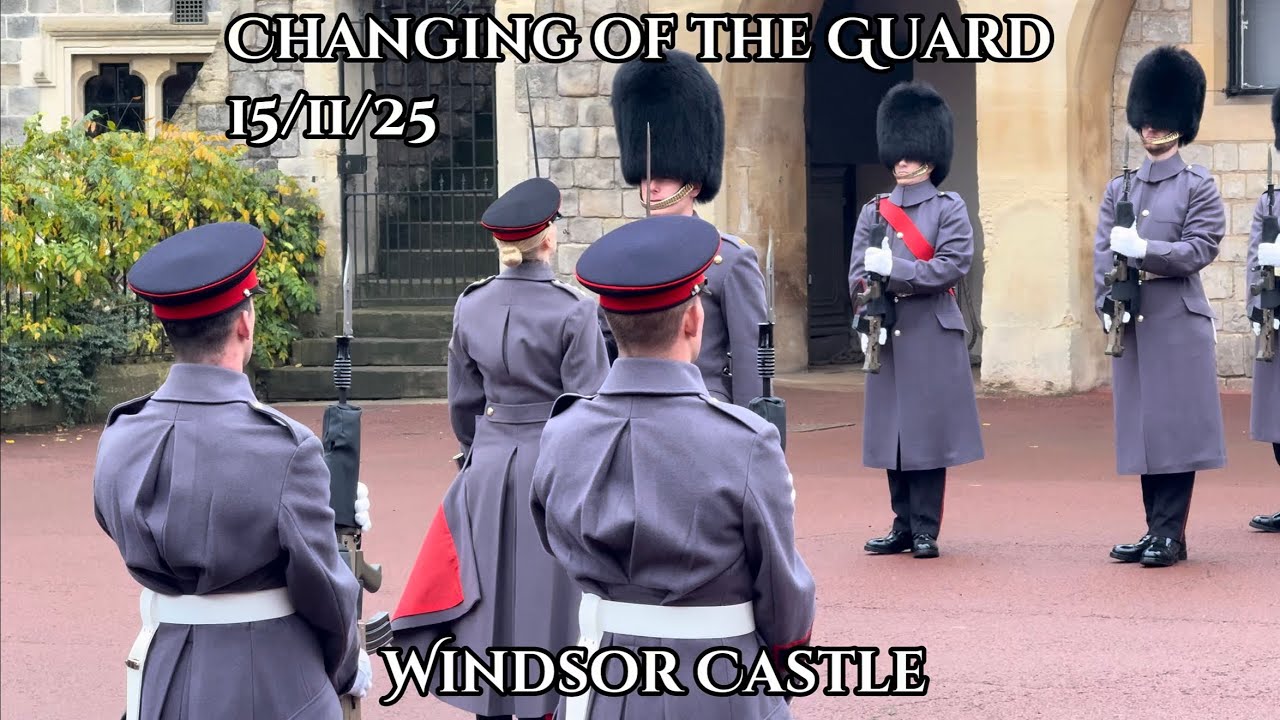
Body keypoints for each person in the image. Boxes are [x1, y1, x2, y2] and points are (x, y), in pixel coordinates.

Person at [529, 214, 816, 720]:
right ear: (692, 320)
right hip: (719, 683)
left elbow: (556, 542)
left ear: (611, 328)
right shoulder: (746, 441)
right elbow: (784, 597)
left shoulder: (561, 432)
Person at [93, 222, 373, 719]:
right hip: (272, 682)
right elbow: (327, 594)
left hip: (161, 673)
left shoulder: (120, 435)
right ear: (245, 324)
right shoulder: (286, 448)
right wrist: (349, 667)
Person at [389, 176, 610, 720]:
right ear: (548, 240)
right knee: (547, 600)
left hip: (487, 463)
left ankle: (490, 701)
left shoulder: (472, 305)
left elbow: (463, 400)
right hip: (550, 463)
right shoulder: (575, 310)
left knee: (488, 591)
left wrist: (478, 452)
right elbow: (589, 406)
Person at [1093, 45, 1227, 567]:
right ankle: (1156, 531)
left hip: (1176, 318)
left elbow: (1201, 247)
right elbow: (1103, 251)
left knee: (1174, 429)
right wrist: (1104, 299)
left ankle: (1170, 533)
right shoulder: (1119, 187)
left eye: (1159, 120)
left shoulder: (1199, 185)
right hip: (1132, 321)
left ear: (1179, 122)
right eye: (1144, 120)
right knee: (1146, 430)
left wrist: (1147, 250)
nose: (1149, 129)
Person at [848, 81, 985, 560]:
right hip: (886, 336)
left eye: (911, 154)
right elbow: (856, 275)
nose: (902, 162)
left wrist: (898, 271)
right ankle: (901, 523)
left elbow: (952, 264)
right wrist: (866, 300)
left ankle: (926, 526)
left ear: (928, 154)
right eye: (898, 154)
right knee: (893, 434)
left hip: (931, 329)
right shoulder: (874, 212)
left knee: (926, 434)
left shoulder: (949, 209)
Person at [603, 48, 769, 406]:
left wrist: (754, 435)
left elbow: (749, 359)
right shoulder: (621, 256)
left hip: (705, 412)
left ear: (692, 183)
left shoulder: (729, 261)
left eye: (663, 176)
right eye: (646, 176)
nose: (652, 186)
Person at [1245, 87, 1280, 534]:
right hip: (1277, 318)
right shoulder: (1271, 201)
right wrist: (1258, 307)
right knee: (1279, 428)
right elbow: (1255, 257)